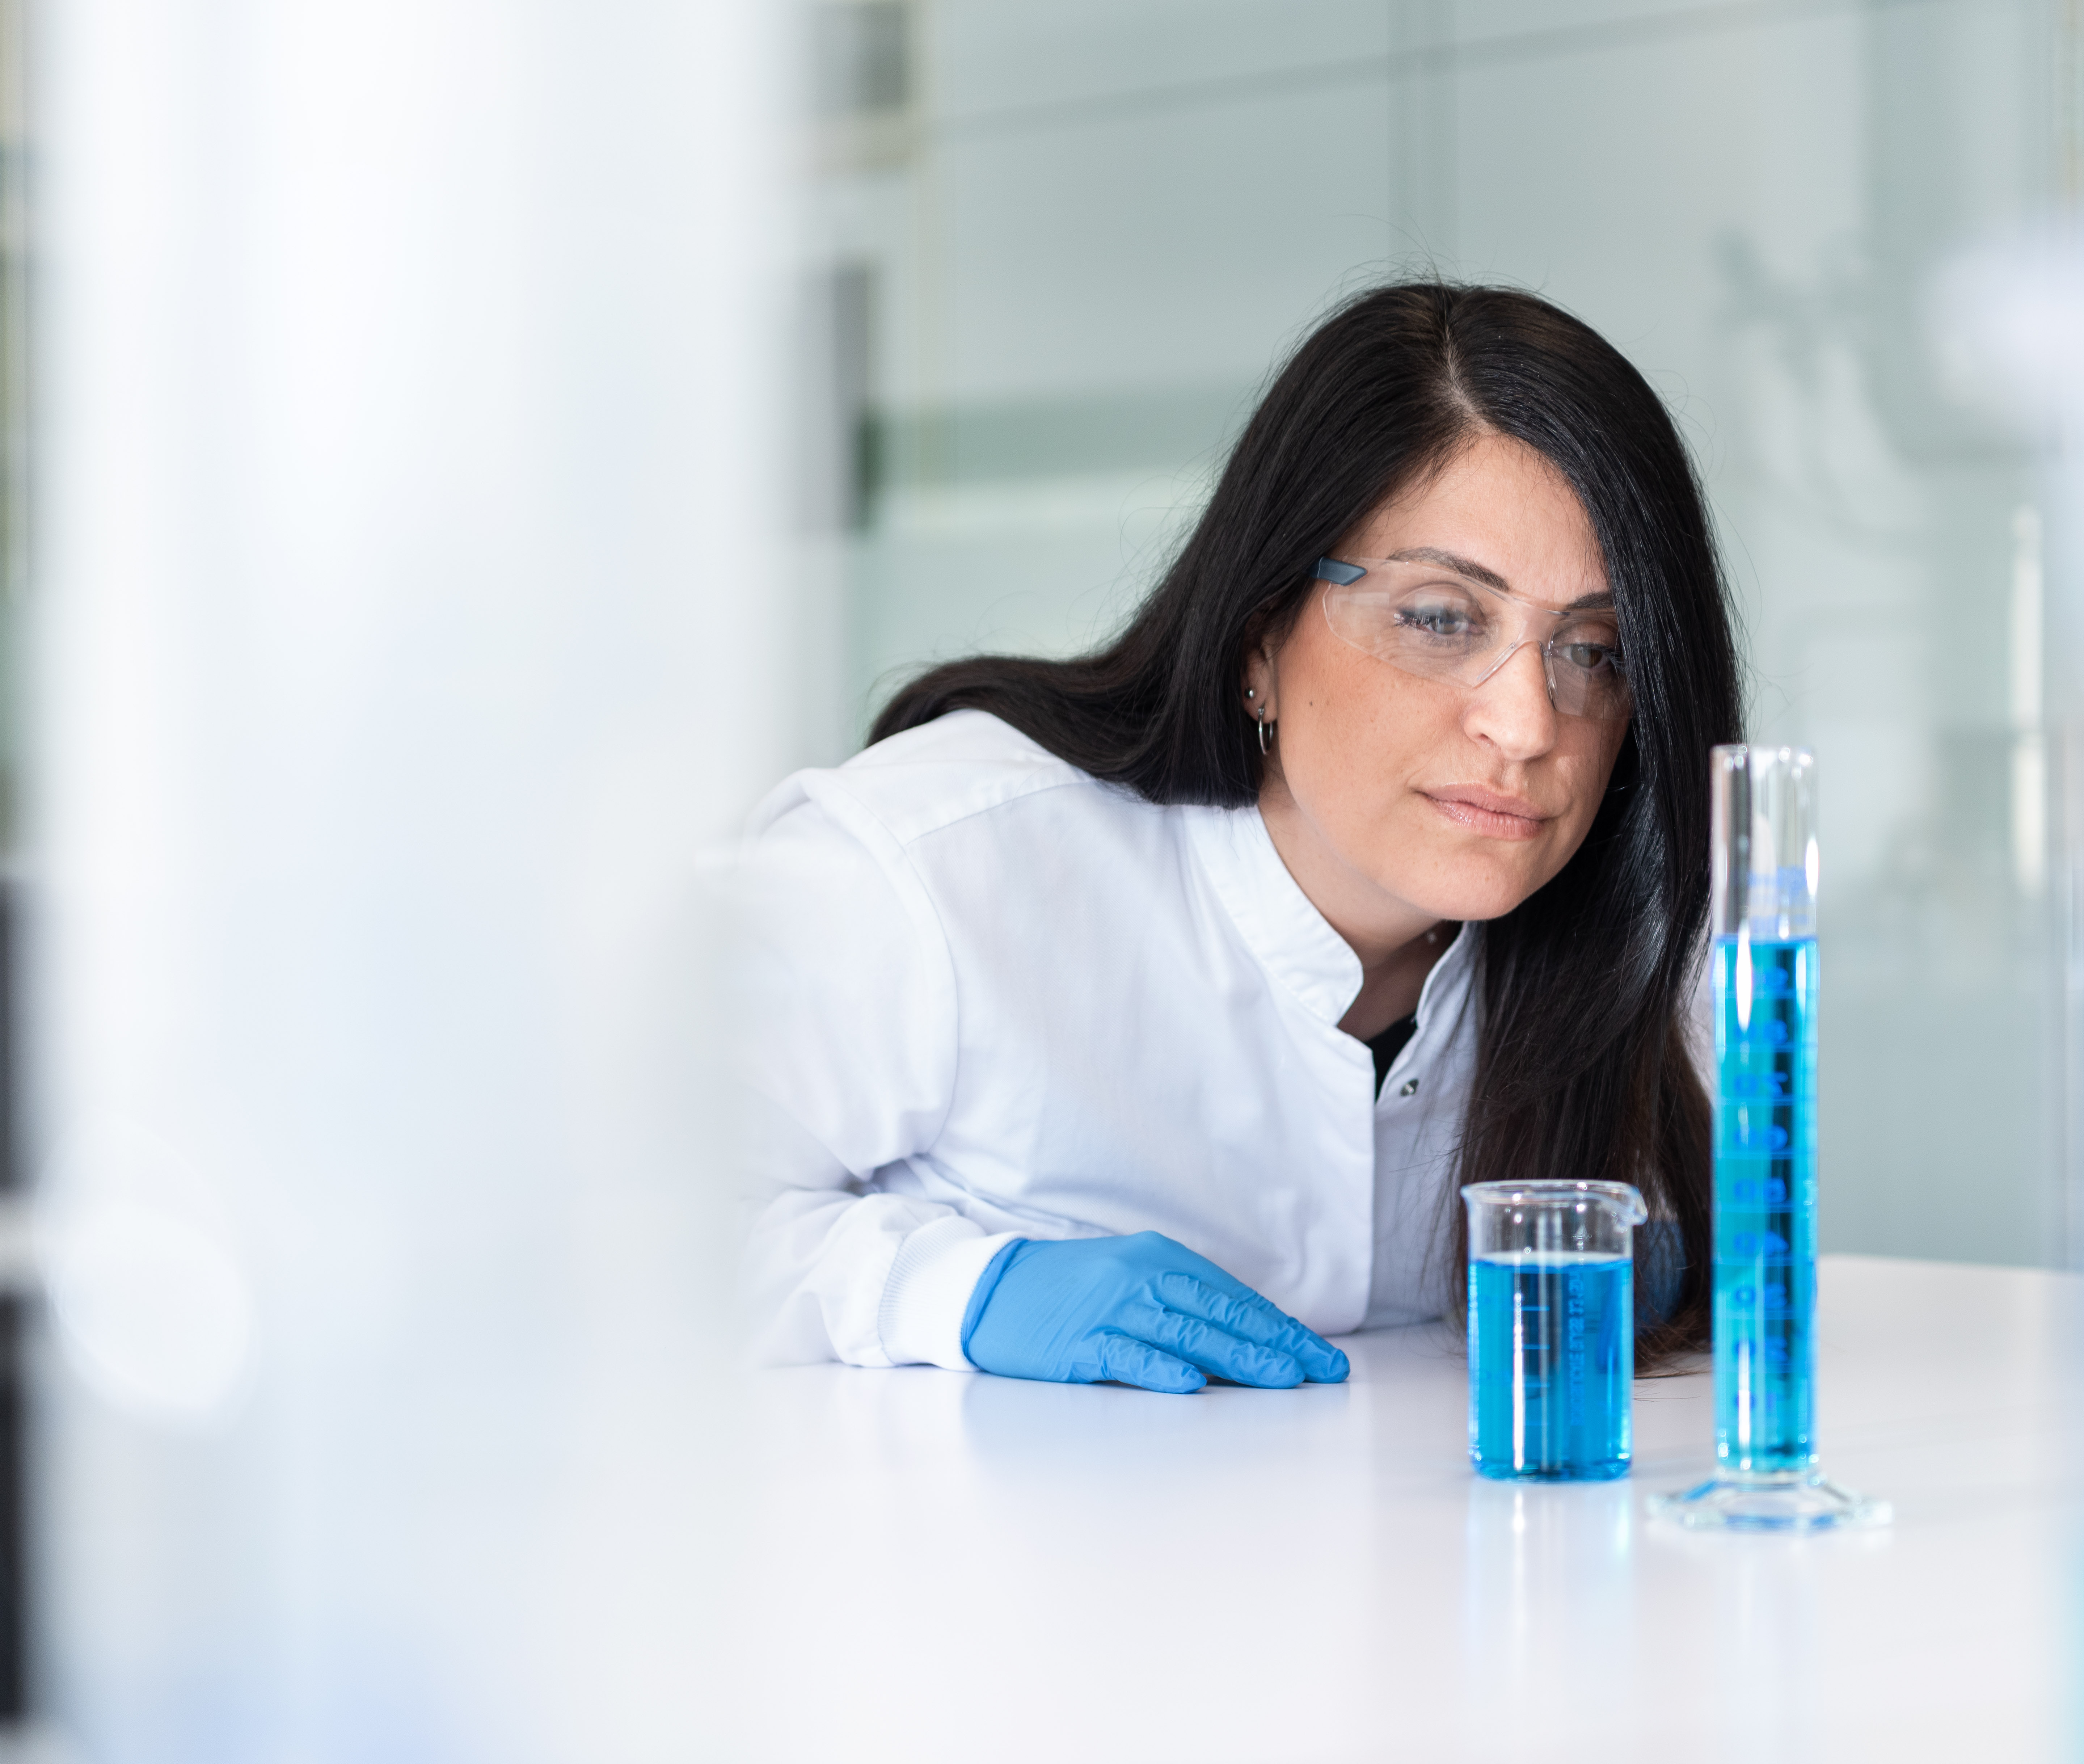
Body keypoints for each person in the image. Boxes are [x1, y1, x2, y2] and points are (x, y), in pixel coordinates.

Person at [737, 282, 1742, 1393]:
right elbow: (576, 1219)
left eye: (1594, 649)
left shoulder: (1644, 955)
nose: (1527, 724)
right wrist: (948, 1291)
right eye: (1442, 618)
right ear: (1261, 637)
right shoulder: (926, 873)